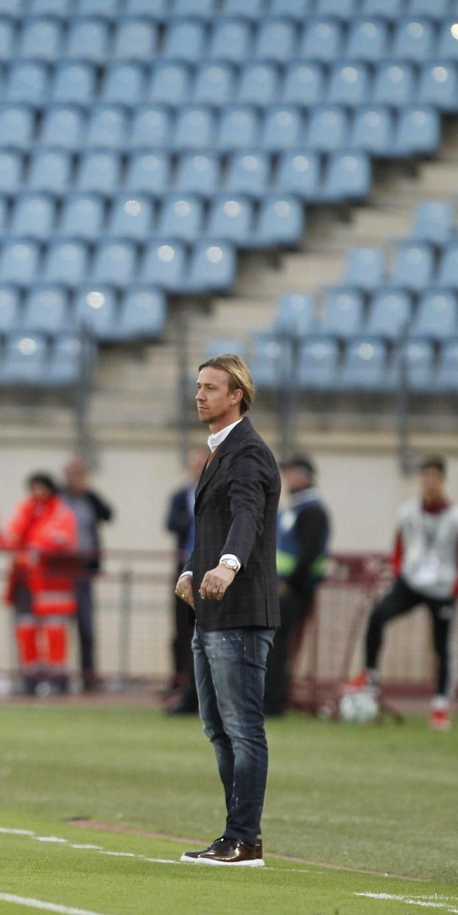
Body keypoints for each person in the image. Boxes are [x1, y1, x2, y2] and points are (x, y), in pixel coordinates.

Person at [174, 354, 280, 868]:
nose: (199, 395)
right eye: (198, 386)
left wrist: (228, 565)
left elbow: (246, 517)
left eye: (210, 387)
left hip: (239, 610)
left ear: (236, 394)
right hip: (213, 610)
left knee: (242, 728)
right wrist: (195, 569)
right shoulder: (220, 452)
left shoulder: (247, 453)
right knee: (218, 728)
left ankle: (245, 837)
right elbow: (211, 525)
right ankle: (236, 834)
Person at [347, 455, 458, 730]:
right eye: (425, 476)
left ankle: (440, 706)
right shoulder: (408, 512)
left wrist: (456, 591)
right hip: (412, 581)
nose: (429, 483)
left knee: (442, 647)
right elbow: (399, 545)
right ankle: (370, 674)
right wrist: (399, 572)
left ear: (442, 479)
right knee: (378, 615)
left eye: (434, 477)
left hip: (442, 588)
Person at [267, 456, 330, 717]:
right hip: (281, 586)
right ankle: (268, 697)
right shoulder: (294, 508)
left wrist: (290, 583)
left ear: (305, 476)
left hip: (294, 589)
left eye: (292, 473)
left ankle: (272, 700)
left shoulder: (312, 510)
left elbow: (310, 552)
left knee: (278, 643)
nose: (288, 479)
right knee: (273, 642)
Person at [7, 473, 79, 694]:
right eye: (33, 489)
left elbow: (64, 541)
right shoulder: (25, 510)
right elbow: (11, 537)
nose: (37, 493)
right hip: (25, 581)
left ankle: (56, 680)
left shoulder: (61, 513)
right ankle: (30, 679)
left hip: (51, 584)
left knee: (54, 630)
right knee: (26, 629)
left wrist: (37, 551)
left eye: (41, 488)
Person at [62, 457, 113, 691]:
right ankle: (59, 678)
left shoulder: (90, 499)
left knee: (86, 627)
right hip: (60, 573)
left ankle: (88, 677)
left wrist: (90, 492)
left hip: (83, 571)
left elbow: (108, 514)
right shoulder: (58, 498)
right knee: (59, 627)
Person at [165, 449, 208, 715]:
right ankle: (185, 684)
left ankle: (198, 692)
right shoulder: (181, 495)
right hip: (187, 569)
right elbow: (172, 524)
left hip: (207, 570)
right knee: (184, 631)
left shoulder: (217, 494)